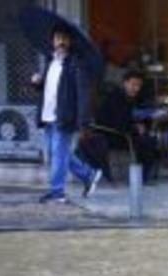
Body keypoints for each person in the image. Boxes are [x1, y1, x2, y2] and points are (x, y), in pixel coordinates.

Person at [33, 24, 102, 204]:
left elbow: (83, 93)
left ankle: (57, 192)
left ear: (70, 42)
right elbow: (47, 89)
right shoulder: (50, 62)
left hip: (64, 117)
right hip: (48, 115)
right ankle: (89, 174)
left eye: (64, 39)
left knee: (59, 154)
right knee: (57, 153)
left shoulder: (76, 64)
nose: (61, 42)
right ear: (52, 41)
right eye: (57, 38)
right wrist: (37, 82)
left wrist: (84, 121)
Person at [81, 70, 159, 183]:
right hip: (113, 135)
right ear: (125, 83)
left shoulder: (135, 98)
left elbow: (142, 116)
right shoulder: (115, 98)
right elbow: (119, 123)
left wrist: (142, 124)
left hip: (125, 133)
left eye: (138, 85)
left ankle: (143, 176)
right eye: (133, 84)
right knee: (147, 142)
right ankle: (142, 178)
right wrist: (136, 128)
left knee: (150, 140)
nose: (136, 88)